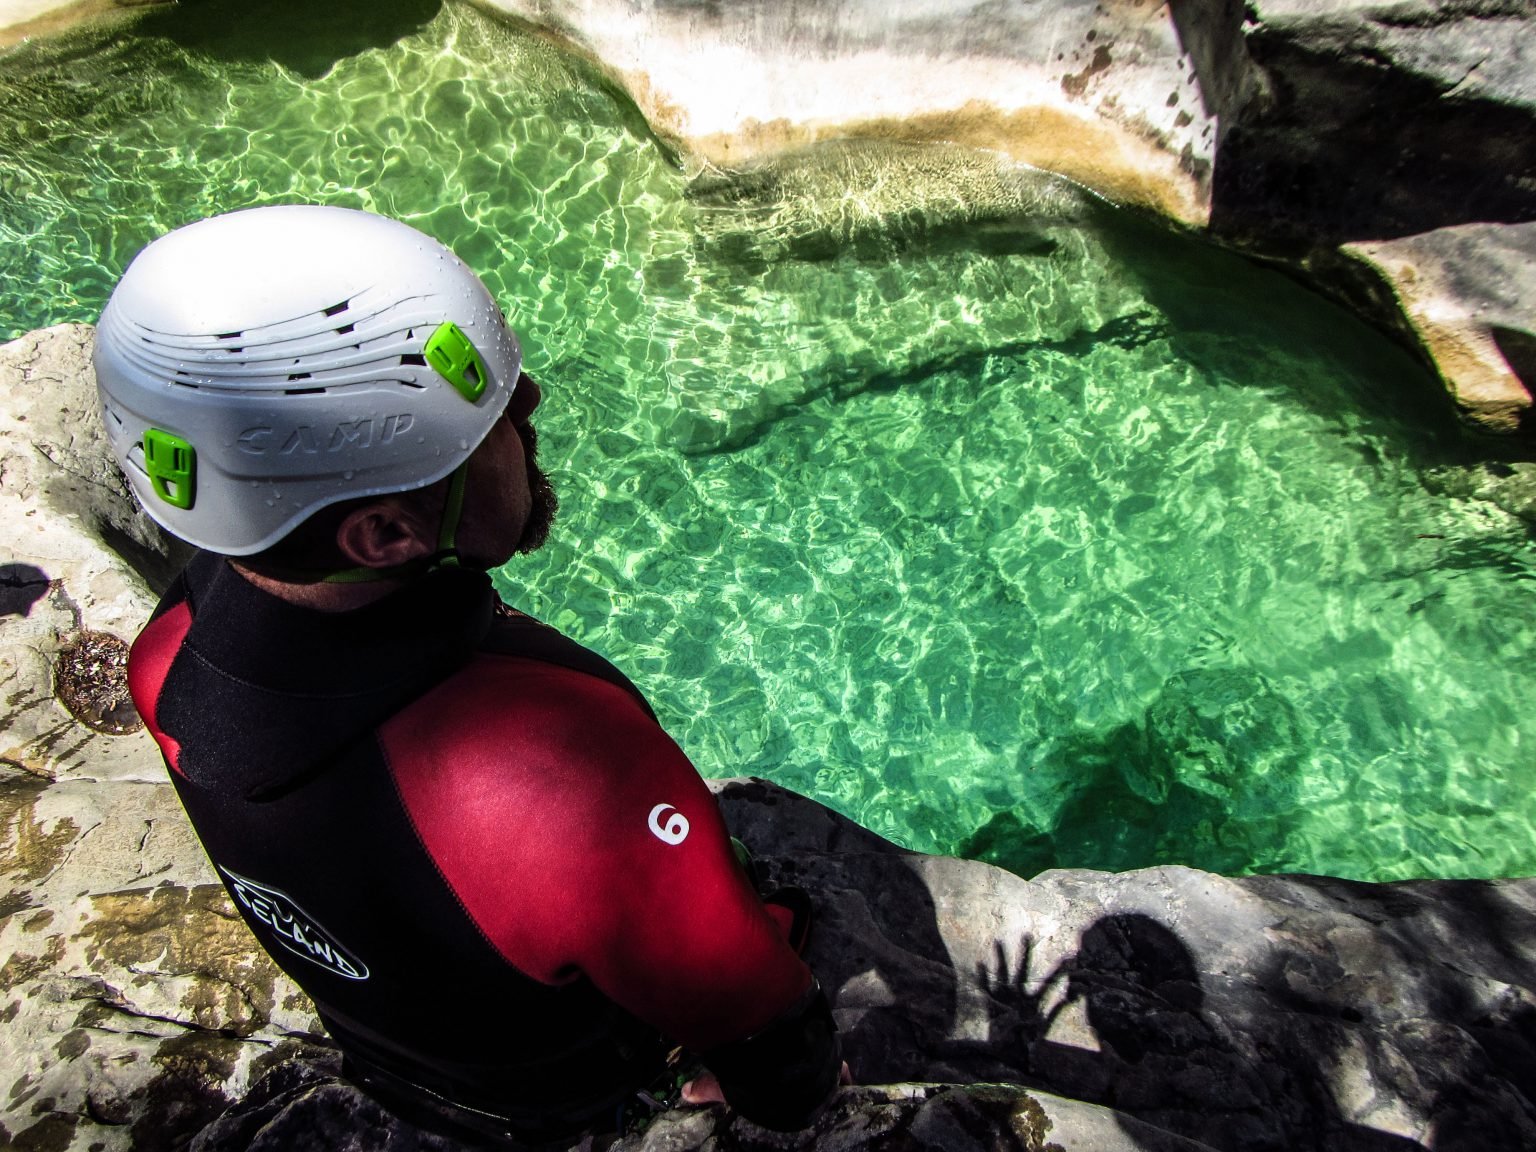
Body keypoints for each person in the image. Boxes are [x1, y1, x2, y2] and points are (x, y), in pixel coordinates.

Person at [96, 204, 844, 1147]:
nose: (527, 402)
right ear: (385, 534)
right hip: (572, 1093)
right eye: (490, 419)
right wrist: (785, 1086)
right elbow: (774, 1043)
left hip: (408, 1059)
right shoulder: (564, 775)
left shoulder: (164, 655)